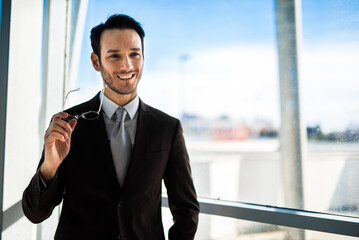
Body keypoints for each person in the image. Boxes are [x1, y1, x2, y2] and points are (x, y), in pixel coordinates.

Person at [22, 14, 199, 240]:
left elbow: (187, 210)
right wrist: (50, 167)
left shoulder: (168, 128)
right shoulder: (68, 124)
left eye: (134, 54)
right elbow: (34, 213)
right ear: (96, 62)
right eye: (114, 55)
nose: (127, 65)